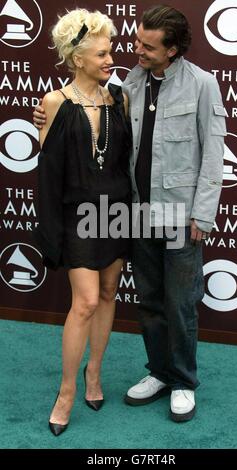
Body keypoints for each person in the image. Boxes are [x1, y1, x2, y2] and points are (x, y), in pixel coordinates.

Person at [33, 5, 226, 423]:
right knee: (150, 301)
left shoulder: (202, 85)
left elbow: (214, 155)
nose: (133, 51)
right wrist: (46, 115)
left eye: (147, 46)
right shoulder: (129, 85)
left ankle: (182, 381)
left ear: (172, 50)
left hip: (178, 213)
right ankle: (159, 372)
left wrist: (204, 215)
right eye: (134, 41)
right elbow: (78, 115)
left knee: (180, 304)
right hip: (134, 213)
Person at [34, 8, 131, 436]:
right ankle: (68, 390)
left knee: (109, 292)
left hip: (117, 210)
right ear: (78, 59)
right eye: (103, 54)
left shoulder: (120, 98)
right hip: (77, 214)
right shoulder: (54, 103)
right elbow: (47, 165)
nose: (111, 60)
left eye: (111, 52)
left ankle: (96, 375)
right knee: (86, 301)